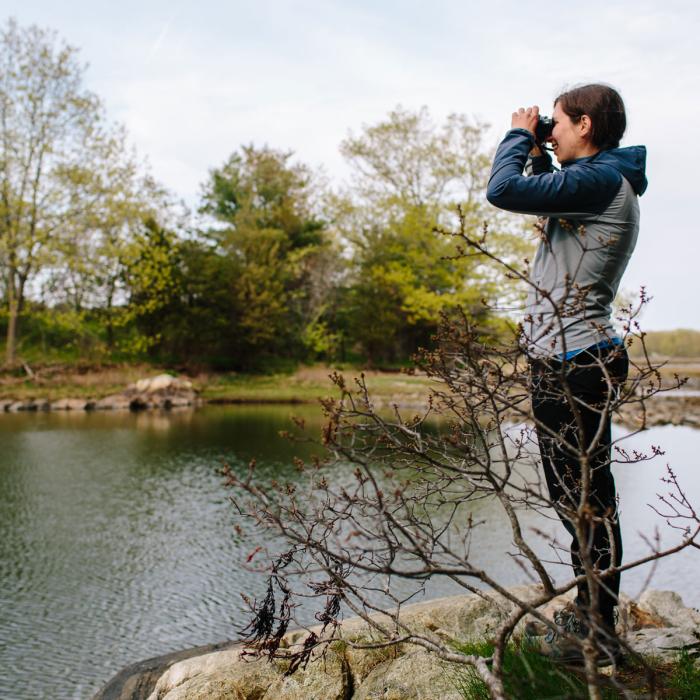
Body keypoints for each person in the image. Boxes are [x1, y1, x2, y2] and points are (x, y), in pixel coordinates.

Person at [486, 84, 648, 665]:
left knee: (587, 504)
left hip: (576, 361)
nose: (549, 133)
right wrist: (536, 147)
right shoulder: (596, 180)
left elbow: (504, 191)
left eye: (556, 124)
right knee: (575, 499)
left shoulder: (602, 181)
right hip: (569, 358)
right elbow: (537, 192)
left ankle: (598, 639)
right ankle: (590, 618)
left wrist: (515, 135)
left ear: (584, 124)